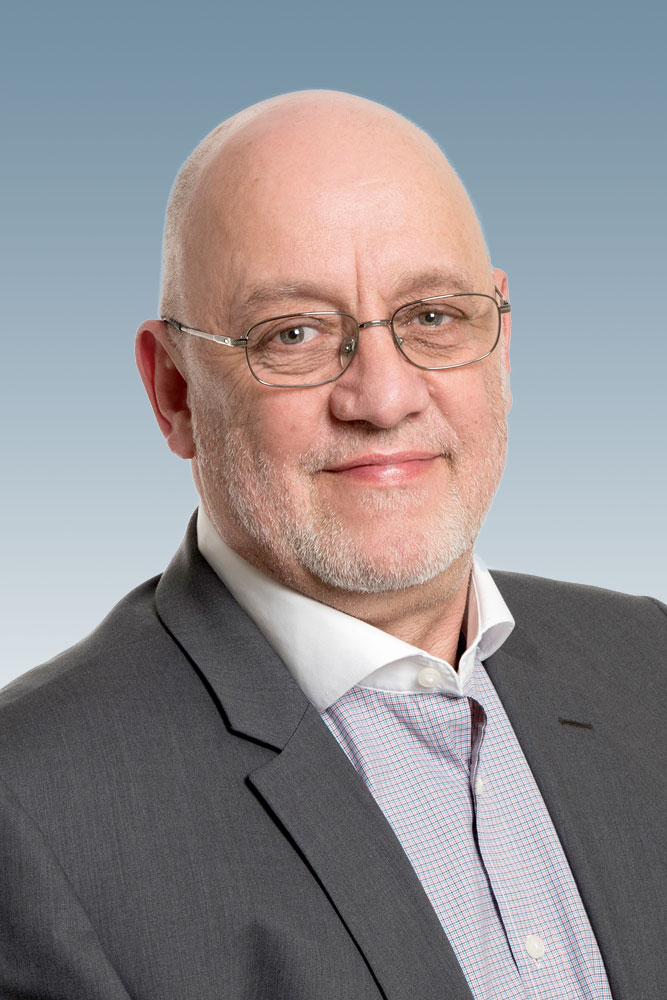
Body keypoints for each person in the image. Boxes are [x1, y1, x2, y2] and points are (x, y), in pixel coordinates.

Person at [1, 90, 665, 1000]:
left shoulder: (647, 662)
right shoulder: (33, 809)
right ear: (174, 392)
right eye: (295, 334)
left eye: (433, 316)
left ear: (500, 343)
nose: (383, 398)